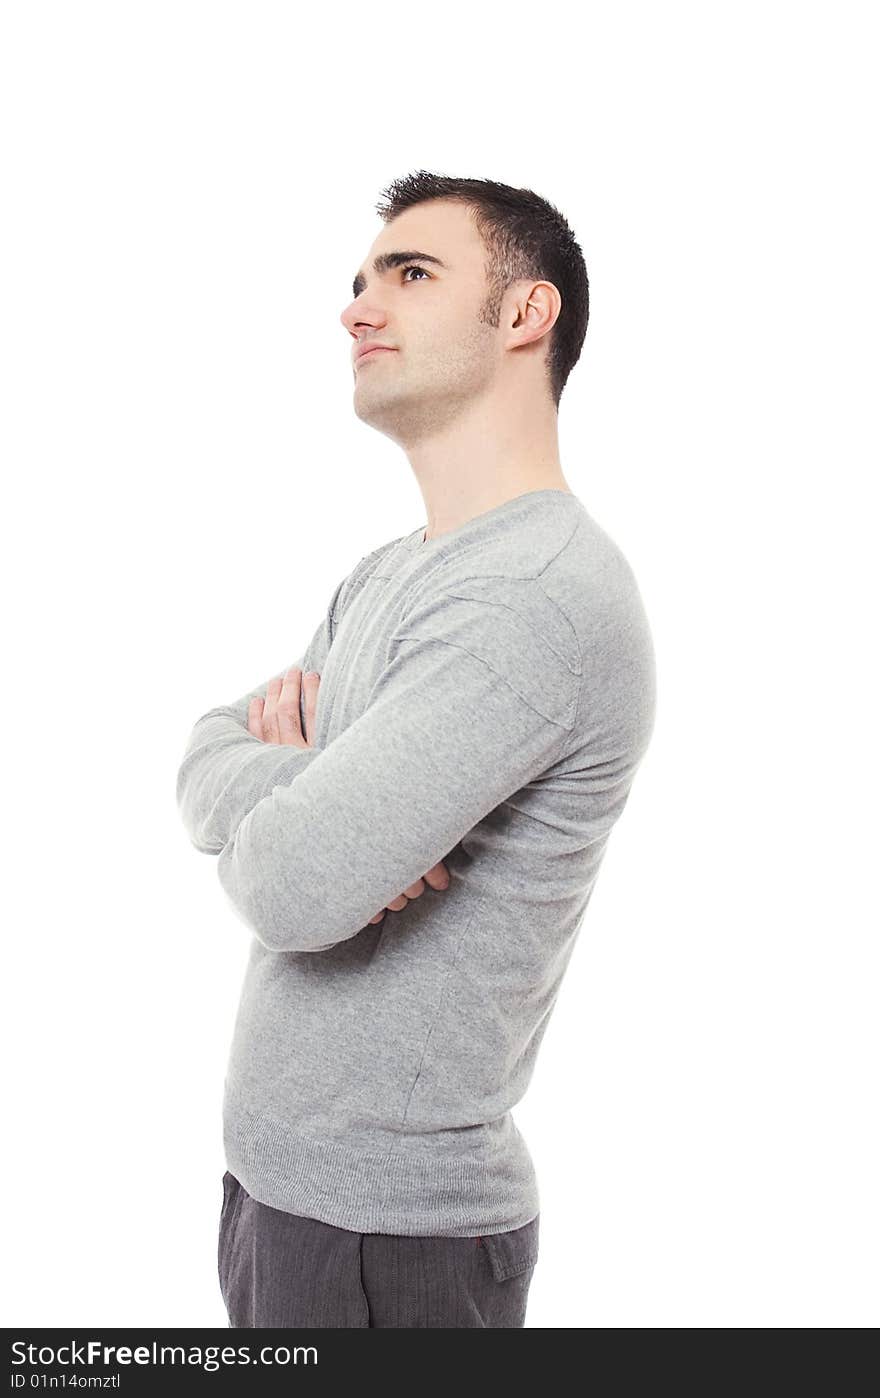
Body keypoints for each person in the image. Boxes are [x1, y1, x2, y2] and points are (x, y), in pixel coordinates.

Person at [176, 170, 657, 1328]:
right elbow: (200, 755)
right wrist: (318, 793)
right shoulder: (392, 573)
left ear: (523, 315)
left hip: (389, 1253)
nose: (356, 308)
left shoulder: (533, 599)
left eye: (410, 273)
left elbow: (288, 884)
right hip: (281, 1205)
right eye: (357, 281)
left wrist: (314, 818)